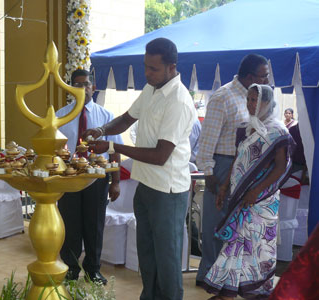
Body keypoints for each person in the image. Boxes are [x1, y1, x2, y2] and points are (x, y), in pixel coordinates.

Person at [84, 37, 196, 300]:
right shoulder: (151, 89)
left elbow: (160, 155)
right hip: (146, 184)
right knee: (147, 254)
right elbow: (126, 118)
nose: (147, 73)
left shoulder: (178, 101)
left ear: (172, 67)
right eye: (145, 66)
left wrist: (113, 148)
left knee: (167, 259)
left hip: (167, 191)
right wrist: (101, 130)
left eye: (153, 69)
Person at [201, 84, 294, 299]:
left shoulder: (278, 131)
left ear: (267, 103)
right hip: (240, 194)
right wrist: (224, 187)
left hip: (262, 201)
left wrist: (256, 191)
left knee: (257, 246)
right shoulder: (245, 128)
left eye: (256, 100)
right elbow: (237, 158)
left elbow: (281, 166)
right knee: (235, 241)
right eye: (249, 99)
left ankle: (255, 290)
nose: (251, 104)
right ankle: (229, 289)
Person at [196, 54, 270, 285]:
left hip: (245, 167)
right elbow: (207, 140)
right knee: (216, 223)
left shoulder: (257, 97)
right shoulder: (223, 97)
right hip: (222, 165)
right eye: (263, 75)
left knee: (237, 224)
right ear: (249, 76)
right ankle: (208, 275)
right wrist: (209, 173)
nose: (267, 79)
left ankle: (228, 276)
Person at [55, 69, 122, 285]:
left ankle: (93, 269)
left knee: (94, 226)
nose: (83, 88)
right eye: (77, 84)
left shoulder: (106, 117)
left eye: (86, 84)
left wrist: (116, 182)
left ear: (93, 88)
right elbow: (55, 148)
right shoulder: (59, 116)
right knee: (70, 225)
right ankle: (71, 268)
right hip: (69, 178)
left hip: (97, 179)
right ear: (70, 88)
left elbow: (114, 151)